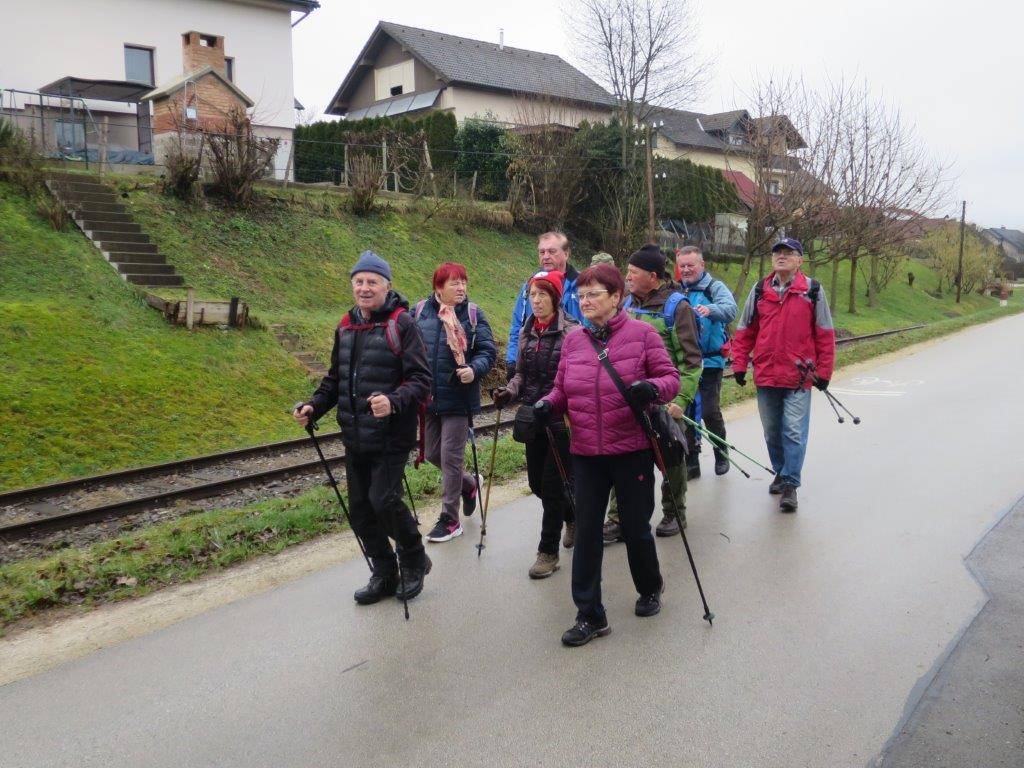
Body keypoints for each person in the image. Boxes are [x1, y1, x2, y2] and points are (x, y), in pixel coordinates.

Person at [535, 262, 681, 647]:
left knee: (635, 528)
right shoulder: (573, 342)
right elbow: (562, 389)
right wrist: (548, 404)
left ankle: (649, 587)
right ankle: (589, 614)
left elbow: (671, 379)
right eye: (580, 295)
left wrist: (652, 388)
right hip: (586, 452)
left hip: (631, 450)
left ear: (616, 297)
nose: (584, 301)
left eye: (593, 294)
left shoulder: (643, 335)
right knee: (587, 533)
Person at [293, 251, 432, 605]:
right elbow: (335, 379)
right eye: (359, 281)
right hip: (355, 436)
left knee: (383, 500)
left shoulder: (402, 324)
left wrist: (393, 401)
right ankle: (384, 572)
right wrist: (314, 406)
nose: (364, 288)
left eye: (372, 281)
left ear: (387, 286)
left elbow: (421, 380)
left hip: (391, 435)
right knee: (359, 510)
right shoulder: (345, 326)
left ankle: (414, 558)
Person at [731, 238, 836, 512]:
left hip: (799, 376)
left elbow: (825, 333)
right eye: (777, 252)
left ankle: (790, 483)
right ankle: (780, 470)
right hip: (766, 373)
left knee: (793, 431)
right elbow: (745, 331)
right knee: (772, 432)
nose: (781, 256)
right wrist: (739, 364)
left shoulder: (812, 290)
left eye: (788, 253)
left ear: (800, 260)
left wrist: (824, 371)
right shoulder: (759, 290)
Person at [606, 244, 702, 540]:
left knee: (670, 459)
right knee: (623, 459)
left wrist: (681, 400)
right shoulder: (626, 304)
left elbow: (691, 362)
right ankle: (619, 518)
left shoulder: (677, 308)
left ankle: (675, 513)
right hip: (629, 400)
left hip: (664, 400)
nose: (627, 277)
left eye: (633, 272)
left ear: (653, 275)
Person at [491, 270, 580, 579]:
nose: (537, 300)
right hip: (532, 418)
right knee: (537, 485)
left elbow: (575, 378)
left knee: (553, 488)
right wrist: (509, 392)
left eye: (543, 294)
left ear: (555, 297)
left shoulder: (572, 332)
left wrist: (558, 403)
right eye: (533, 295)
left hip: (560, 420)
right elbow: (521, 375)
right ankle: (573, 515)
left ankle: (548, 552)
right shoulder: (527, 331)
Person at [414, 262, 496, 542]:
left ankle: (450, 520)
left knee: (450, 457)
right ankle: (469, 484)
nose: (461, 288)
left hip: (458, 397)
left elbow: (487, 351)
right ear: (439, 287)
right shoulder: (420, 311)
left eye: (463, 282)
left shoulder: (472, 313)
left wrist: (474, 369)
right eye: (454, 283)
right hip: (428, 397)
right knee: (432, 453)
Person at [675, 245, 738, 478]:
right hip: (684, 363)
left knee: (710, 411)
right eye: (682, 266)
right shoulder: (677, 290)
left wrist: (709, 309)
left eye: (691, 265)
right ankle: (692, 459)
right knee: (685, 411)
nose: (686, 270)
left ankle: (721, 452)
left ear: (702, 265)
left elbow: (731, 310)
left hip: (710, 362)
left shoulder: (714, 287)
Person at [505, 231, 584, 378]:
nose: (546, 256)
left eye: (552, 251)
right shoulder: (529, 286)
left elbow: (592, 330)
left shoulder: (582, 286)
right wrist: (512, 360)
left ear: (566, 254)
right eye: (542, 252)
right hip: (532, 368)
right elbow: (517, 326)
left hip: (571, 368)